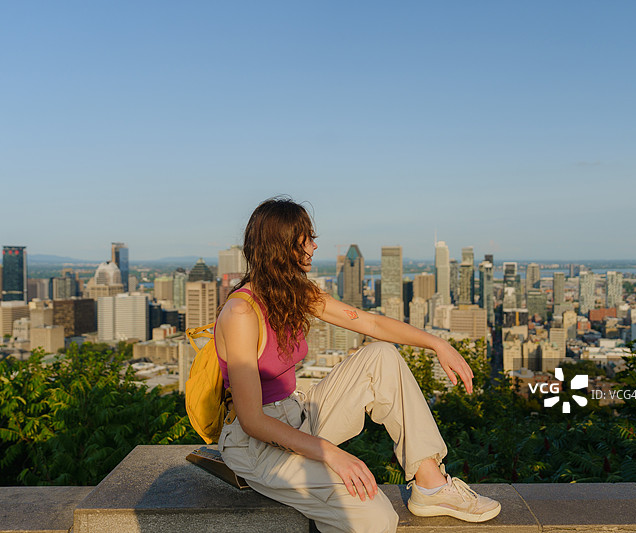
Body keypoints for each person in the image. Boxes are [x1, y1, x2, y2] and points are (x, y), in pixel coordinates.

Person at [214, 197, 500, 533]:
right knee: (375, 517)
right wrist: (332, 454)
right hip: (258, 446)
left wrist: (437, 343)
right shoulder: (241, 314)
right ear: (284, 247)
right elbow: (253, 421)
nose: (314, 245)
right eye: (306, 238)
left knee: (381, 356)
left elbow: (370, 323)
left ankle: (430, 485)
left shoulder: (290, 293)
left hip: (299, 414)